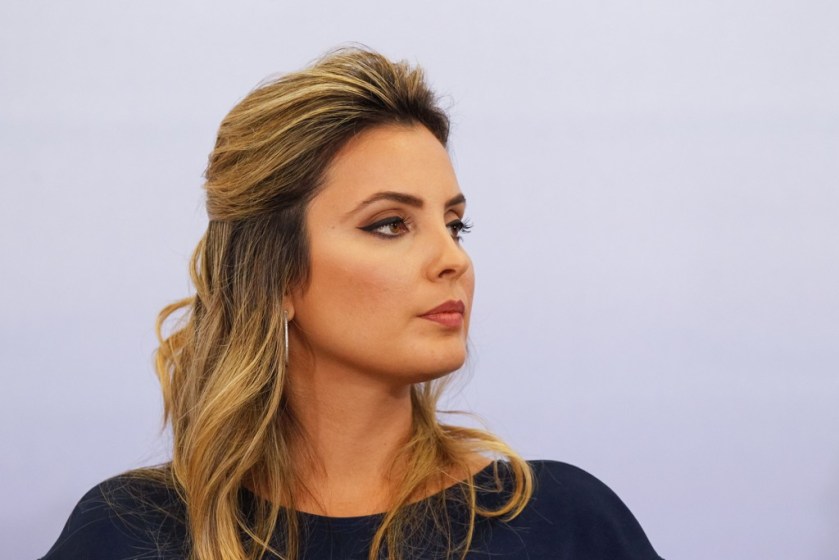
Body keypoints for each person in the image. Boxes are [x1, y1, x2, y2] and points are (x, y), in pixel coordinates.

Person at [41, 47, 664, 560]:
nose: (453, 258)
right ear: (276, 275)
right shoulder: (131, 533)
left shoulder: (561, 525)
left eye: (456, 225)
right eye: (390, 224)